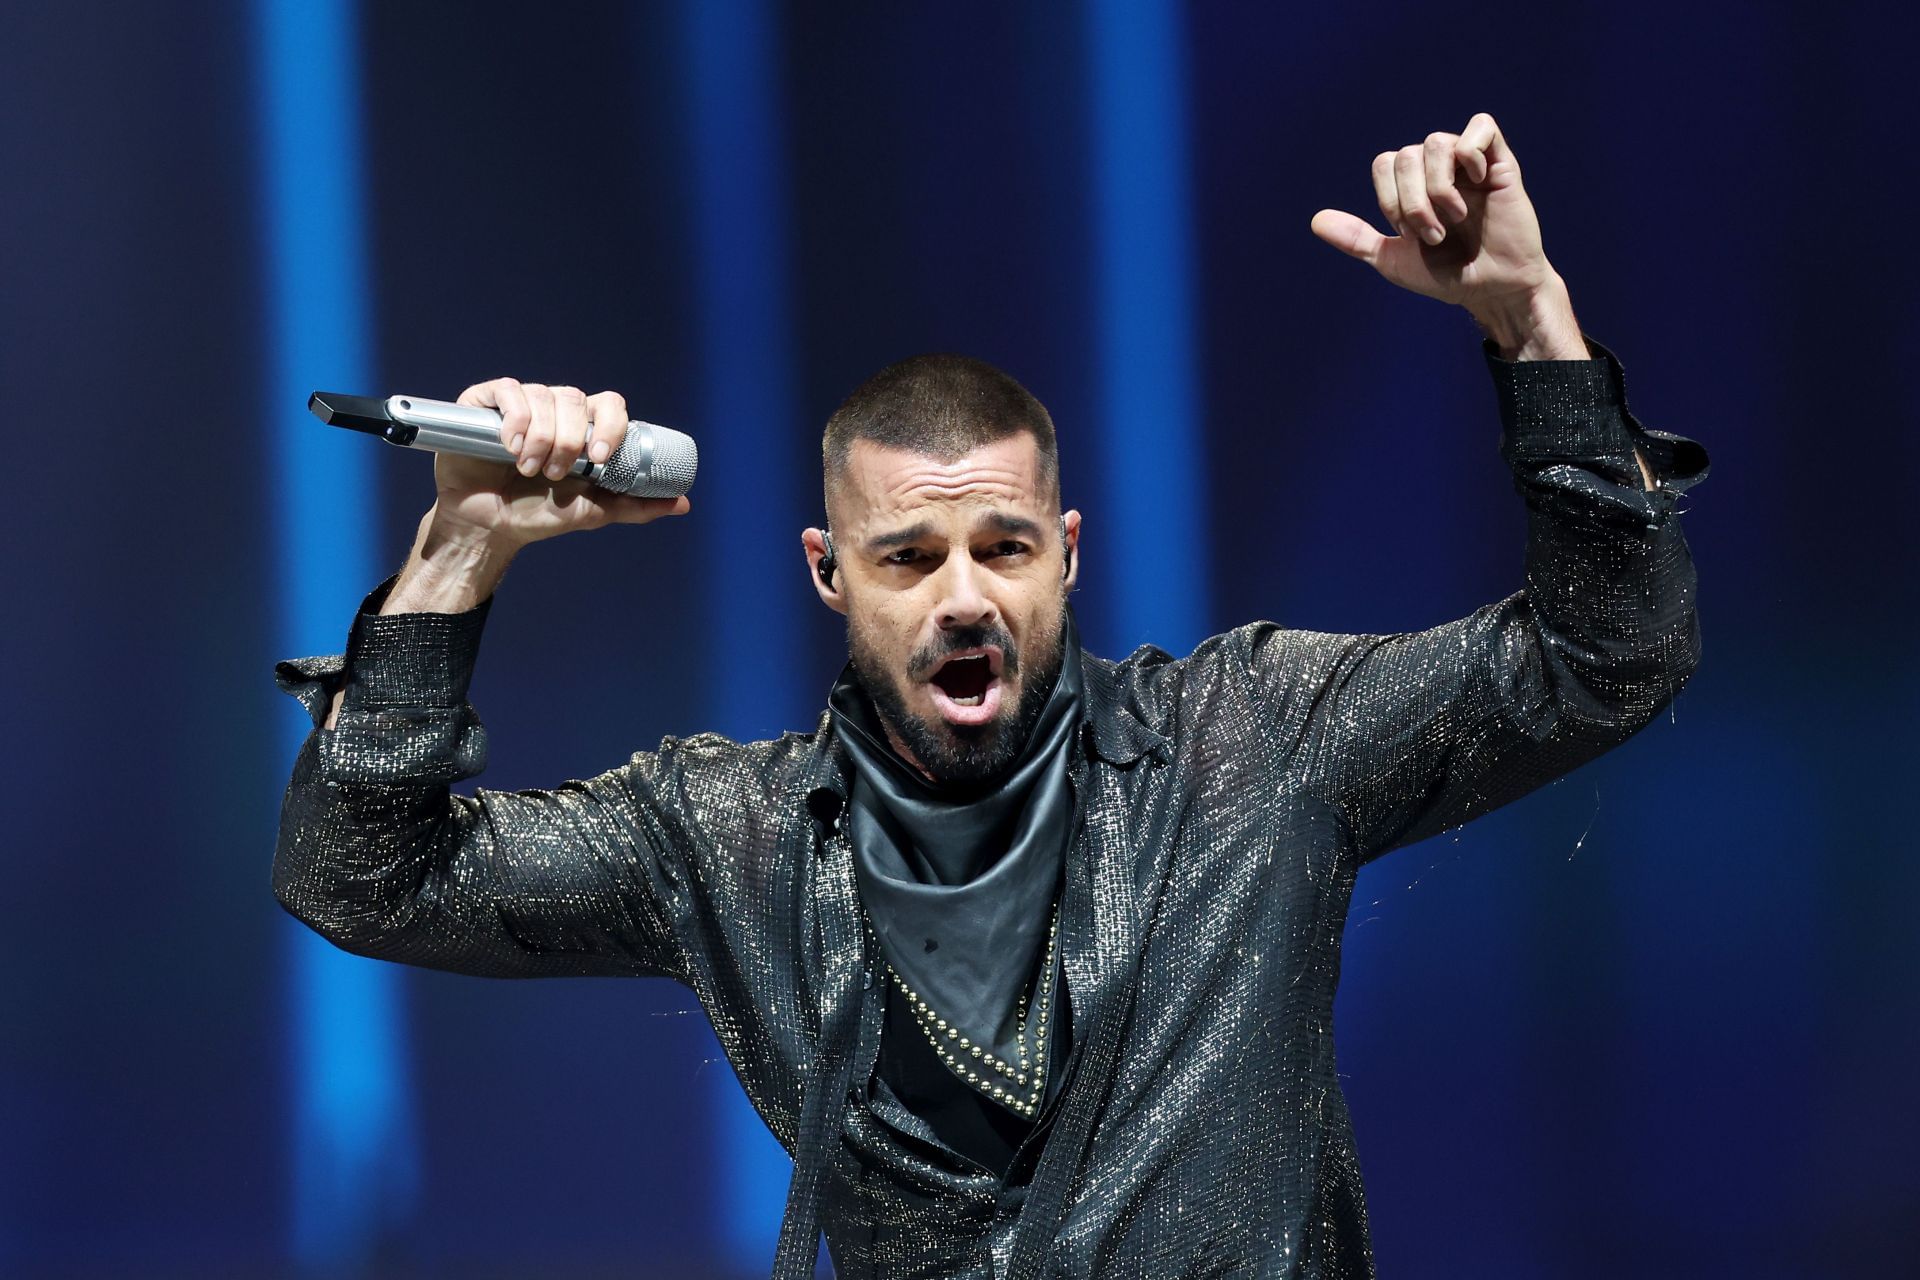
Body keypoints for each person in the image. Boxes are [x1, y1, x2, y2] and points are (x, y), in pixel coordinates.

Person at [273, 113, 1707, 1279]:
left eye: (1003, 546)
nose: (964, 594)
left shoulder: (1255, 740)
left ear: (1065, 556)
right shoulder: (729, 836)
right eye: (911, 555)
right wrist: (464, 543)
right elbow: (363, 880)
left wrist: (1531, 322)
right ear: (831, 574)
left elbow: (1603, 658)